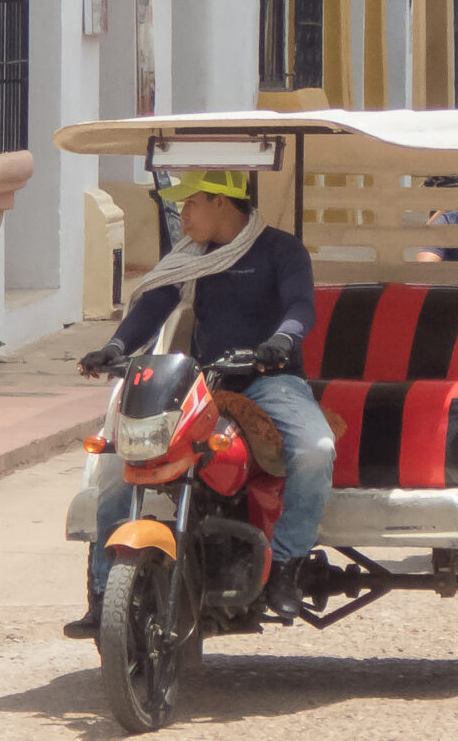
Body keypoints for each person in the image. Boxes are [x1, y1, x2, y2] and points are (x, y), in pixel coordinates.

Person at [72, 170, 336, 632]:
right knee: (117, 462)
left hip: (269, 380)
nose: (183, 214)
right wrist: (115, 348)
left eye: (190, 203)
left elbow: (301, 308)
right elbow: (152, 307)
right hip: (205, 382)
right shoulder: (191, 258)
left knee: (317, 451)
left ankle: (287, 567)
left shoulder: (280, 250)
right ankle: (101, 593)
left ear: (221, 202)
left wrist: (281, 340)